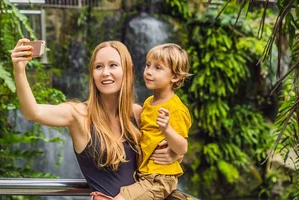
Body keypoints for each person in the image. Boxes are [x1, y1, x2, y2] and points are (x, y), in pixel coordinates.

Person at [10, 39, 182, 199]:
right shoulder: (78, 115)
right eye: (98, 67)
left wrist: (174, 154)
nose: (105, 73)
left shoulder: (139, 113)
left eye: (113, 65)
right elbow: (33, 112)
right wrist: (19, 70)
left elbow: (167, 148)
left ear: (127, 70)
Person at [116, 43, 192, 200]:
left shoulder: (175, 109)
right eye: (148, 65)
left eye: (158, 68)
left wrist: (167, 129)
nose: (148, 72)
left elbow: (182, 147)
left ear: (175, 76)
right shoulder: (149, 102)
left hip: (159, 179)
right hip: (146, 175)